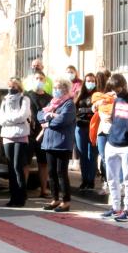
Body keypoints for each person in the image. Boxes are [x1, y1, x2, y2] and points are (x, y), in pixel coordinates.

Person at [102, 74, 128, 222]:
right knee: (112, 179)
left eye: (117, 88)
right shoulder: (117, 99)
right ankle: (115, 207)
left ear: (123, 85)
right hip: (112, 143)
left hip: (126, 146)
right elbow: (114, 118)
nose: (115, 91)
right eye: (113, 89)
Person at [38, 76, 77, 212]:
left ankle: (66, 201)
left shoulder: (69, 104)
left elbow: (63, 120)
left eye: (58, 88)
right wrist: (48, 117)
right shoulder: (52, 103)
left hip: (62, 143)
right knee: (51, 172)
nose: (55, 90)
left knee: (61, 172)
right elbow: (39, 114)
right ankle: (55, 199)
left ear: (65, 89)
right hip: (49, 142)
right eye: (54, 88)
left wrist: (48, 122)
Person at [0, 77, 32, 207]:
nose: (12, 88)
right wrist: (11, 120)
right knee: (10, 167)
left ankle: (21, 196)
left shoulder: (25, 99)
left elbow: (23, 115)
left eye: (14, 86)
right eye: (10, 86)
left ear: (19, 87)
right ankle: (13, 197)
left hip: (20, 136)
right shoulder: (5, 100)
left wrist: (9, 120)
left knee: (18, 166)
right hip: (7, 136)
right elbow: (0, 118)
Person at [25, 70, 53, 198]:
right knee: (25, 162)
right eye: (36, 78)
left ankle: (44, 189)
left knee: (43, 163)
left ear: (45, 80)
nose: (39, 81)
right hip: (29, 134)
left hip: (43, 134)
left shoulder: (49, 98)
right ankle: (22, 189)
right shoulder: (27, 96)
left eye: (41, 78)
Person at [89, 69, 113, 196]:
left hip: (112, 129)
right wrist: (99, 103)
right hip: (101, 129)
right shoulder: (97, 95)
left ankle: (115, 183)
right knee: (104, 157)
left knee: (112, 157)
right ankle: (106, 182)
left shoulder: (114, 93)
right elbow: (94, 107)